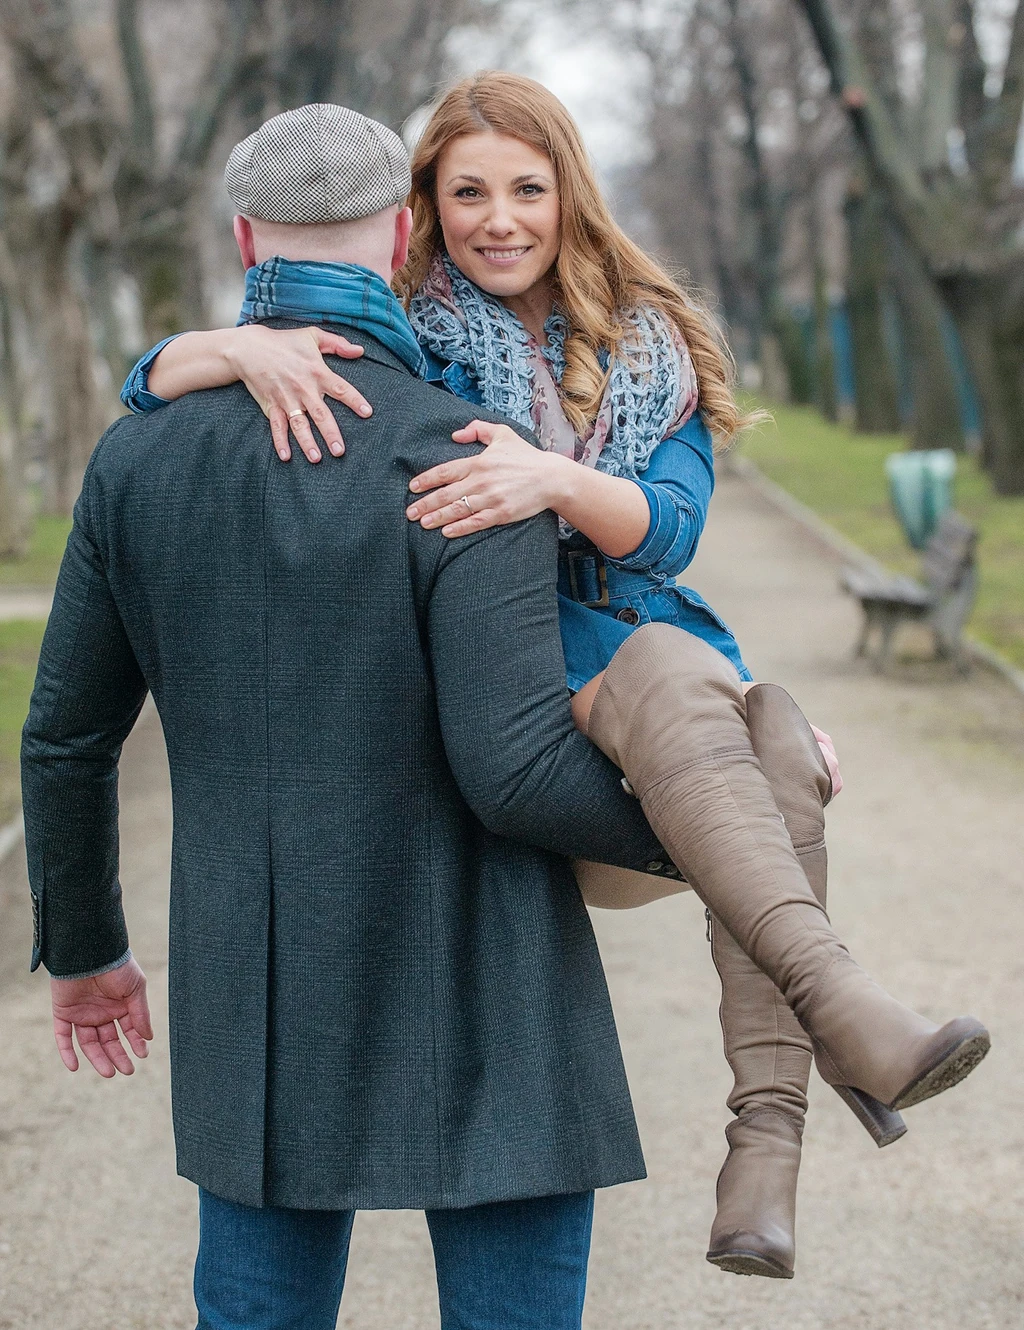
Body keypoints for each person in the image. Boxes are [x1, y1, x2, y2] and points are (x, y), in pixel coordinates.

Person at [124, 77, 991, 1283]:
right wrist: (209, 347)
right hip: (518, 700)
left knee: (771, 731)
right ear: (416, 208)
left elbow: (671, 531)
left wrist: (551, 480)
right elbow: (158, 388)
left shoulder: (654, 346)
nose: (498, 218)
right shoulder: (399, 334)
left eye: (526, 188)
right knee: (734, 721)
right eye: (465, 190)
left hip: (643, 673)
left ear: (567, 194)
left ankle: (764, 1162)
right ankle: (838, 1028)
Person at [21, 103, 696, 1330]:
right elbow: (516, 771)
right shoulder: (461, 451)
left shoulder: (138, 459)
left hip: (256, 976)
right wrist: (704, 824)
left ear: (242, 240)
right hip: (487, 968)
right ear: (401, 238)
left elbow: (68, 736)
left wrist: (85, 948)